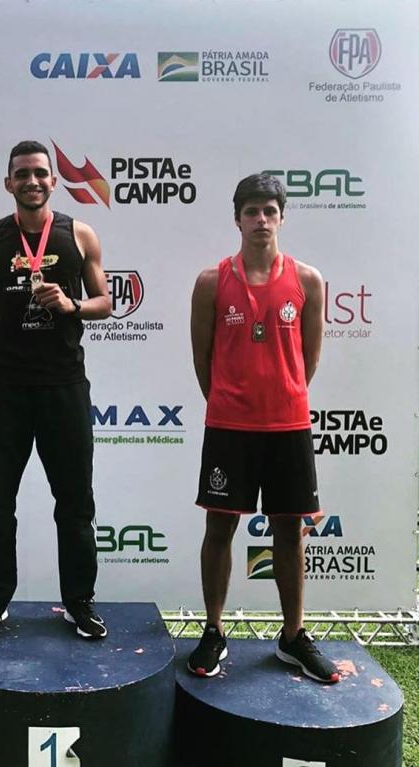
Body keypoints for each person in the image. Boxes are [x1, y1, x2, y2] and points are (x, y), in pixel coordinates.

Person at [188, 173, 339, 683]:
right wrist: (233, 402)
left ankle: (293, 637)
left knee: (289, 532)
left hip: (288, 424)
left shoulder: (308, 280)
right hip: (229, 425)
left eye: (269, 211)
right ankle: (213, 630)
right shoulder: (212, 281)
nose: (260, 220)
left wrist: (280, 396)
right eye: (251, 211)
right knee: (219, 528)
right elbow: (202, 359)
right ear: (237, 219)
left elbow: (309, 358)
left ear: (282, 217)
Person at [0, 140, 111, 640]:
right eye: (22, 174)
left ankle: (79, 603)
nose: (32, 181)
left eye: (40, 174)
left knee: (75, 502)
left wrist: (71, 303)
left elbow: (106, 302)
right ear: (9, 183)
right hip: (5, 388)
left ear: (54, 181)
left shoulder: (80, 233)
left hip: (64, 387)